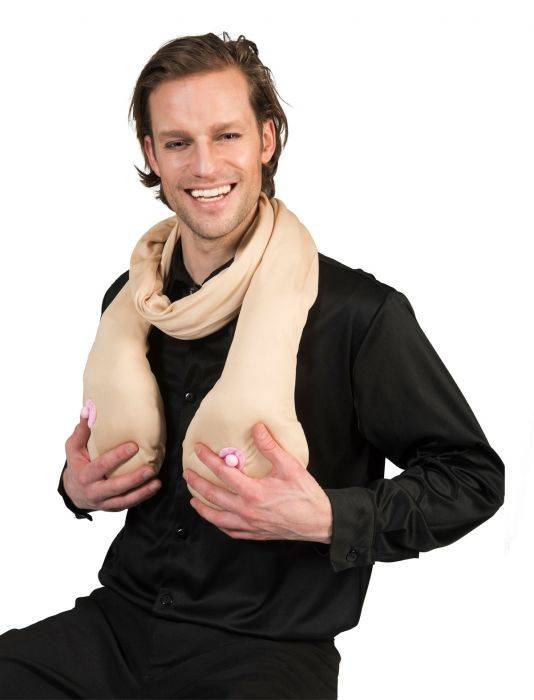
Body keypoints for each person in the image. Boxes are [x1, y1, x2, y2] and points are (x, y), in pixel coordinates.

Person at [0, 31, 505, 700]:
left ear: (266, 140)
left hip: (267, 652)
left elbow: (472, 478)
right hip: (119, 623)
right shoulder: (134, 303)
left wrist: (327, 517)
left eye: (227, 136)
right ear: (151, 154)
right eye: (177, 142)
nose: (204, 165)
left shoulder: (357, 315)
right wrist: (77, 487)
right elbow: (113, 459)